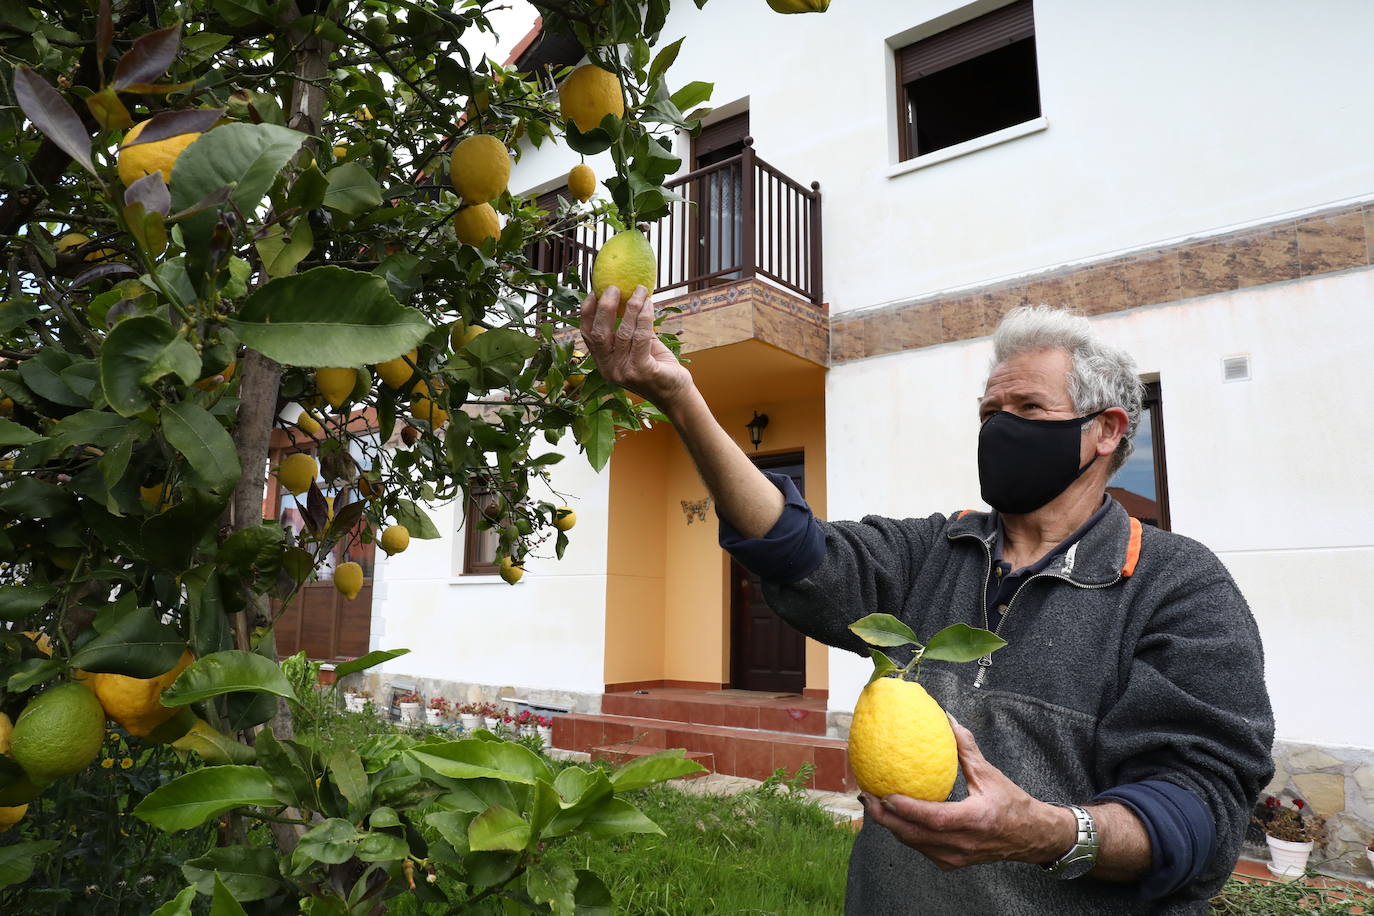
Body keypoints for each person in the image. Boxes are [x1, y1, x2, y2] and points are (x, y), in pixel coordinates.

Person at [580, 286, 1273, 914]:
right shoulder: (934, 553)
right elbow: (794, 548)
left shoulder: (1177, 588)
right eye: (989, 412)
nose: (1000, 428)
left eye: (1028, 409)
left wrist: (1049, 833)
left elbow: (1199, 809)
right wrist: (680, 398)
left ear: (1108, 430)